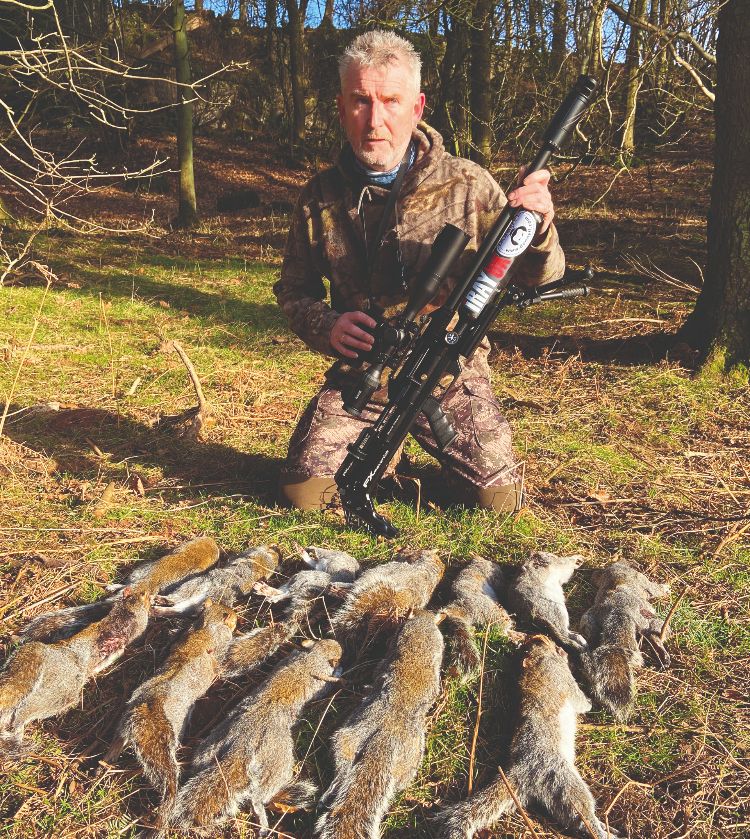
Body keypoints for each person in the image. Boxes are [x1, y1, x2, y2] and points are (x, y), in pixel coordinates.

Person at [273, 30, 565, 514]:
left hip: (449, 372)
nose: (375, 120)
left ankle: (428, 456)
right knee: (306, 496)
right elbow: (293, 290)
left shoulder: (468, 183)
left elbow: (542, 277)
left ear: (417, 107)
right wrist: (329, 326)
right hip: (365, 374)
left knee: (498, 505)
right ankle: (384, 451)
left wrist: (539, 229)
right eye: (360, 101)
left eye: (391, 100)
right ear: (342, 106)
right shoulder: (320, 196)